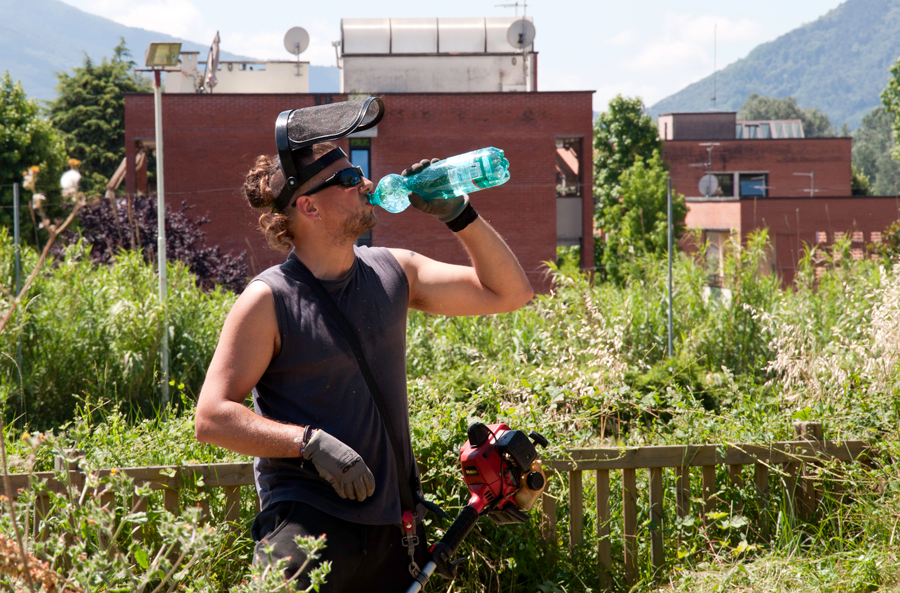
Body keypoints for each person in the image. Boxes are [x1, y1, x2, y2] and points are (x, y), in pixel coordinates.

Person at [194, 98, 533, 592]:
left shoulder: (395, 270)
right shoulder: (268, 300)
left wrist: (460, 213)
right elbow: (211, 417)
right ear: (308, 206)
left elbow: (510, 293)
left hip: (395, 531)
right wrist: (309, 443)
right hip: (304, 531)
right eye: (349, 178)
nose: (367, 183)